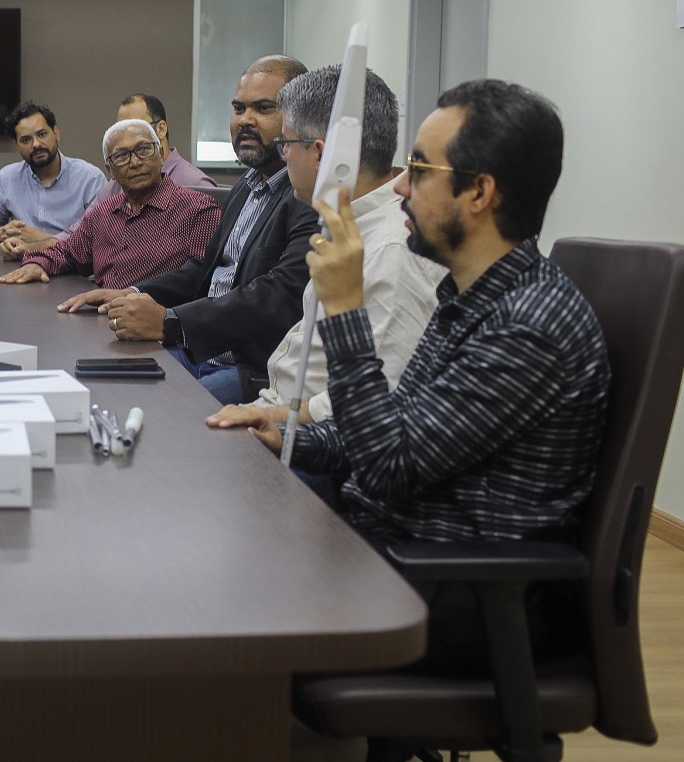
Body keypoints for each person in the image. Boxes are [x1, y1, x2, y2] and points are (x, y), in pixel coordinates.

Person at [219, 80, 609, 675]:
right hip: (402, 553)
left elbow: (387, 465)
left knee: (209, 597)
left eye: (420, 170)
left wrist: (345, 308)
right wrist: (292, 432)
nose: (400, 186)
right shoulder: (471, 295)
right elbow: (405, 434)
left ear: (479, 192)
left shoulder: (528, 323)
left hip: (455, 590)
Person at [57, 55, 314, 405]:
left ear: (299, 118)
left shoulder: (308, 194)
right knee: (101, 387)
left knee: (159, 412)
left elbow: (278, 296)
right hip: (200, 349)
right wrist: (129, 291)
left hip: (250, 368)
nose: (245, 121)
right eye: (238, 109)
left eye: (263, 108)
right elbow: (202, 272)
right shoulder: (246, 186)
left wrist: (171, 322)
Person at [205, 66, 442, 437]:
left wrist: (275, 419)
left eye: (285, 144)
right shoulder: (348, 226)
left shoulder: (391, 251)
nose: (282, 158)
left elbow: (376, 405)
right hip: (280, 413)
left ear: (321, 155)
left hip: (312, 442)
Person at [0, 119, 222, 290]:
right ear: (110, 170)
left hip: (160, 330)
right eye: (122, 156)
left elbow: (201, 283)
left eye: (144, 150)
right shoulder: (103, 214)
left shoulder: (198, 210)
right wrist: (37, 264)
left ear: (161, 154)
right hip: (100, 323)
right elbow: (68, 252)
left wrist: (132, 294)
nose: (135, 163)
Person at [0, 101, 105, 258]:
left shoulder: (90, 179)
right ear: (16, 145)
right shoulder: (6, 179)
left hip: (74, 270)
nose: (36, 144)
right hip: (22, 266)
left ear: (56, 133)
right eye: (26, 140)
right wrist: (6, 234)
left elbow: (100, 239)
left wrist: (37, 240)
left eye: (42, 134)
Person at [87, 92, 215, 207]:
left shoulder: (196, 184)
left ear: (161, 129)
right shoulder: (115, 186)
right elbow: (81, 229)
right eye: (121, 128)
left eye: (136, 126)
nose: (126, 134)